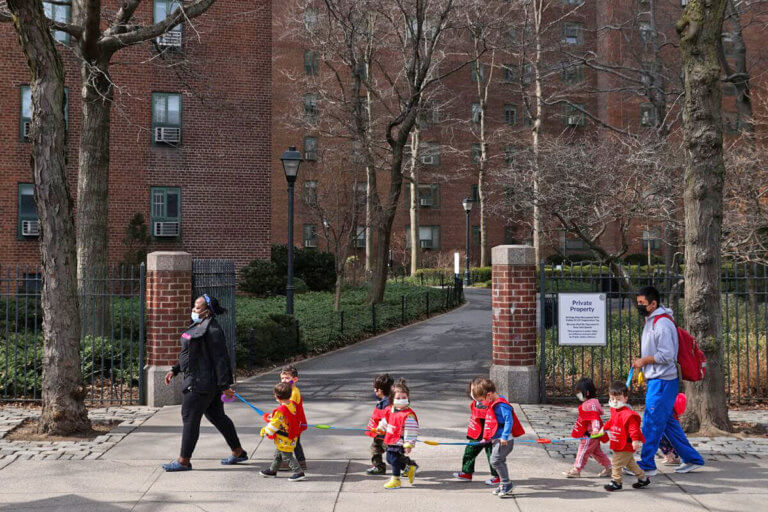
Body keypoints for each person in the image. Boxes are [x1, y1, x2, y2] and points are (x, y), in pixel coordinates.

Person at [162, 295, 246, 472]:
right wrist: (175, 369)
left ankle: (184, 461)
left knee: (190, 418)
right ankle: (238, 452)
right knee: (217, 417)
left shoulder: (213, 331)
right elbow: (192, 354)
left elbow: (221, 359)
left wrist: (225, 385)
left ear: (208, 311)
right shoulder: (198, 326)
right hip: (204, 382)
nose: (193, 310)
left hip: (201, 384)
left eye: (198, 308)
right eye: (194, 307)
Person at [634, 286, 705, 475]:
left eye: (642, 303)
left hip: (662, 380)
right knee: (667, 423)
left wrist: (644, 361)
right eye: (638, 302)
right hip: (659, 379)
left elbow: (666, 355)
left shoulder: (662, 324)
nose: (638, 305)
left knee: (651, 422)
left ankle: (647, 465)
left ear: (653, 303)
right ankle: (692, 458)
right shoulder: (652, 320)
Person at [477, 378, 525, 498]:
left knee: (495, 460)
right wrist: (487, 437)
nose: (482, 403)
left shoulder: (502, 405)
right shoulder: (494, 403)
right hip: (497, 439)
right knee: (499, 461)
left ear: (489, 395)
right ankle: (504, 483)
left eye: (482, 400)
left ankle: (506, 483)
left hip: (505, 440)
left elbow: (509, 421)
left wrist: (504, 436)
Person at [597, 381, 650, 492]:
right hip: (619, 442)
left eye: (618, 399)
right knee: (630, 464)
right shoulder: (614, 410)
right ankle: (643, 478)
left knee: (616, 463)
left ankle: (616, 482)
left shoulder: (628, 414)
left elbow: (633, 429)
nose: (615, 402)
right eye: (612, 399)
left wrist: (635, 440)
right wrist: (604, 428)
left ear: (625, 398)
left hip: (626, 444)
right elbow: (612, 421)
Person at [453, 377, 500, 486]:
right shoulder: (475, 403)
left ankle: (498, 476)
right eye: (472, 390)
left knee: (492, 456)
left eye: (474, 390)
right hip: (477, 434)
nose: (472, 392)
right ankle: (467, 472)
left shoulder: (492, 403)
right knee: (469, 452)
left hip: (489, 435)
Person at [563, 377, 612, 478]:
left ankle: (576, 469)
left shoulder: (591, 405)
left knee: (583, 451)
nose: (578, 395)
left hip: (590, 434)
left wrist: (595, 429)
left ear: (587, 392)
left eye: (580, 392)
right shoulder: (591, 403)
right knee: (596, 452)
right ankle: (609, 467)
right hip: (592, 434)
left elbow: (594, 417)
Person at [258, 382, 306, 481]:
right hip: (290, 437)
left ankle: (299, 472)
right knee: (278, 454)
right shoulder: (291, 405)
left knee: (287, 456)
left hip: (284, 438)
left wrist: (265, 431)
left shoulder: (281, 410)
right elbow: (284, 417)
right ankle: (272, 470)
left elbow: (274, 425)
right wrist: (273, 416)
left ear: (276, 396)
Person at [376, 378, 419, 490]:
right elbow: (385, 420)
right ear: (392, 399)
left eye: (404, 398)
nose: (401, 400)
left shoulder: (408, 415)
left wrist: (408, 444)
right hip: (391, 438)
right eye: (398, 398)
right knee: (390, 459)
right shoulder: (391, 410)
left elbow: (411, 430)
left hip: (399, 441)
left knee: (393, 459)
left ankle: (396, 480)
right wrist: (381, 428)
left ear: (408, 398)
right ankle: (408, 469)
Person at [279, 365, 307, 471]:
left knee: (288, 442)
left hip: (294, 422)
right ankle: (301, 462)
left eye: (287, 378)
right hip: (291, 422)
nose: (284, 380)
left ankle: (287, 462)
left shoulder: (294, 392)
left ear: (294, 379)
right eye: (282, 378)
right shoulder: (288, 390)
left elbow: (289, 408)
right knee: (294, 443)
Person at [365, 373, 394, 475]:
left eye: (375, 389)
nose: (374, 391)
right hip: (379, 433)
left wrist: (381, 427)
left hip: (387, 433)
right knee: (375, 448)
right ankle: (379, 467)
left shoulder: (388, 404)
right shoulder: (382, 400)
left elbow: (388, 419)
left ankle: (408, 466)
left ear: (380, 391)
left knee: (393, 453)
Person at [659, 393, 687, 466]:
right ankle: (673, 456)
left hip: (666, 428)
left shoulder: (668, 409)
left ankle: (670, 456)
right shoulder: (674, 411)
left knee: (661, 439)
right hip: (671, 427)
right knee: (670, 441)